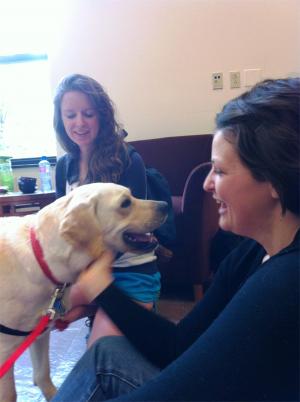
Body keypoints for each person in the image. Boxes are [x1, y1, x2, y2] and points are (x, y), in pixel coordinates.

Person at [51, 77, 299, 402]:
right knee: (105, 353)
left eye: (220, 171)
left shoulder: (284, 282)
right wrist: (100, 289)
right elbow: (178, 345)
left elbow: (181, 392)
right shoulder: (249, 254)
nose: (208, 184)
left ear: (275, 180)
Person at [53, 73, 161, 344]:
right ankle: (93, 309)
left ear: (102, 115)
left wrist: (84, 290)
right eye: (70, 115)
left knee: (101, 352)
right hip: (88, 273)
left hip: (129, 272)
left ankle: (124, 312)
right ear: (61, 119)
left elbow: (132, 230)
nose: (79, 123)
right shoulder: (64, 168)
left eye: (88, 114)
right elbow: (62, 230)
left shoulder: (128, 159)